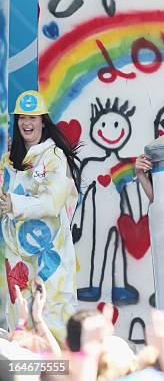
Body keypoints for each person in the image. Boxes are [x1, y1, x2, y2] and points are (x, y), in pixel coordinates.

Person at [0, 90, 80, 340]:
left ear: (43, 121)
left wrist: (14, 203)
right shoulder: (7, 161)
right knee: (19, 317)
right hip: (17, 256)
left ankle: (59, 375)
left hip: (49, 254)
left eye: (33, 117)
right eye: (22, 117)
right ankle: (24, 376)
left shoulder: (54, 157)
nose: (27, 123)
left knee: (51, 315)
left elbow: (53, 202)